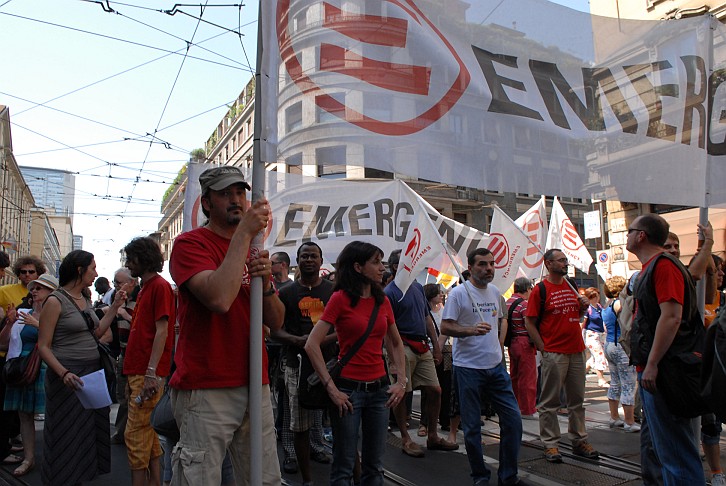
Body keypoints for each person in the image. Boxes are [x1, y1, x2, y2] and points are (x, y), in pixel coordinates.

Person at [168, 165, 284, 486]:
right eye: (225, 194)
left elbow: (276, 321)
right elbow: (219, 299)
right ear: (206, 203)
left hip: (254, 382)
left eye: (239, 193)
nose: (236, 200)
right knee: (200, 478)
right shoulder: (190, 245)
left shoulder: (253, 249)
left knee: (263, 479)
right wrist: (244, 235)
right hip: (207, 385)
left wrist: (268, 285)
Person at [304, 241, 406, 486]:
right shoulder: (340, 299)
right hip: (348, 392)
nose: (382, 268)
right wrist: (332, 389)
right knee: (344, 464)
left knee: (375, 465)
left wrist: (401, 381)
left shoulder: (383, 301)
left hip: (380, 391)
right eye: (376, 262)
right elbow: (311, 344)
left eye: (382, 262)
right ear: (358, 267)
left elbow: (395, 343)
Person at [627, 213, 706, 484]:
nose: (627, 235)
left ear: (641, 236)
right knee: (667, 452)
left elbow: (671, 317)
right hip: (659, 370)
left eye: (630, 230)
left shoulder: (663, 265)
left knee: (676, 453)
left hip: (666, 371)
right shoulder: (655, 266)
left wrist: (652, 364)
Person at [37, 250, 127, 486]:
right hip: (67, 376)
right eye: (93, 268)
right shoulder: (55, 301)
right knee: (65, 432)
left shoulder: (84, 299)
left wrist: (115, 307)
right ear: (80, 270)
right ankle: (60, 479)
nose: (96, 273)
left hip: (90, 374)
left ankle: (78, 478)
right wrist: (63, 373)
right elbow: (43, 346)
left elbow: (96, 333)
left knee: (86, 433)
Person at [441, 248, 527, 486]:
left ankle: (508, 476)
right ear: (470, 268)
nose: (488, 268)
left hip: (495, 366)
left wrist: (499, 346)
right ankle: (480, 476)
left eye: (491, 264)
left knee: (513, 421)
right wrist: (469, 330)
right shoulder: (459, 294)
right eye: (482, 264)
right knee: (471, 429)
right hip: (468, 368)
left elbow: (500, 320)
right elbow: (446, 327)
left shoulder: (496, 291)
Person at [524, 249, 599, 463]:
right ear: (548, 264)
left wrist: (583, 309)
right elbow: (530, 321)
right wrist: (542, 347)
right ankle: (550, 444)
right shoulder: (540, 290)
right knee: (549, 402)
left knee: (576, 400)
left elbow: (577, 315)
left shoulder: (571, 285)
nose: (565, 264)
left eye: (566, 260)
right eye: (561, 260)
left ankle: (579, 440)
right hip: (554, 352)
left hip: (576, 350)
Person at [271, 242, 335, 486]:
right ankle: (291, 454)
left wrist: (320, 342)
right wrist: (298, 340)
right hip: (294, 364)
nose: (309, 260)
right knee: (294, 416)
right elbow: (274, 330)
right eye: (304, 256)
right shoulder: (286, 293)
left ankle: (317, 447)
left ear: (320, 261)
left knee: (319, 412)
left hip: (327, 362)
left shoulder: (332, 291)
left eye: (314, 256)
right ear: (298, 261)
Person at [384, 250, 456, 457]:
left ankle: (432, 436)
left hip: (422, 346)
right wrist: (393, 360)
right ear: (397, 266)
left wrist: (436, 344)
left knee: (435, 390)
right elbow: (387, 330)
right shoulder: (390, 292)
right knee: (401, 393)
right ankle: (406, 438)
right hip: (403, 346)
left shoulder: (416, 287)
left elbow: (426, 319)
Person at [122, 237, 176, 486]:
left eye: (131, 259)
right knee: (148, 435)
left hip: (146, 373)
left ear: (142, 259)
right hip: (142, 371)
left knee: (135, 435)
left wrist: (151, 373)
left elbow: (162, 330)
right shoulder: (146, 287)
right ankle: (154, 482)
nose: (128, 264)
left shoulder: (158, 286)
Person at [3, 273, 57, 476]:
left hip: (46, 366)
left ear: (52, 293)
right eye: (33, 288)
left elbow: (59, 341)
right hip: (22, 367)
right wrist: (9, 324)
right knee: (24, 415)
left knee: (51, 414)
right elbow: (3, 343)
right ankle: (29, 458)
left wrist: (37, 325)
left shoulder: (57, 313)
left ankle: (54, 459)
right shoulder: (23, 312)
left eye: (40, 288)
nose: (34, 291)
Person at [601, 276, 640, 433]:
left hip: (609, 344)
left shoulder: (607, 304)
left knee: (615, 382)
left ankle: (614, 417)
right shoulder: (619, 303)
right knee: (628, 384)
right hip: (620, 346)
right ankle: (629, 421)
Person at [505, 277, 537, 419]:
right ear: (528, 289)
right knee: (528, 378)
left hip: (512, 342)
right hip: (524, 342)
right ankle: (527, 409)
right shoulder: (524, 304)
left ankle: (515, 405)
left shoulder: (507, 303)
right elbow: (529, 325)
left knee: (515, 376)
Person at [425, 283, 452, 432]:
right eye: (438, 293)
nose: (441, 295)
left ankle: (445, 418)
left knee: (445, 385)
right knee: (429, 386)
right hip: (428, 351)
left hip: (446, 351)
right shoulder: (426, 312)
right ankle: (426, 421)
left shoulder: (444, 310)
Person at [582, 287, 609, 388]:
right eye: (593, 297)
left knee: (594, 357)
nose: (596, 298)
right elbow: (583, 323)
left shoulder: (599, 306)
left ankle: (582, 373)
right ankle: (601, 379)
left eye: (597, 296)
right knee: (599, 355)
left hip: (601, 334)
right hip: (591, 334)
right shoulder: (587, 309)